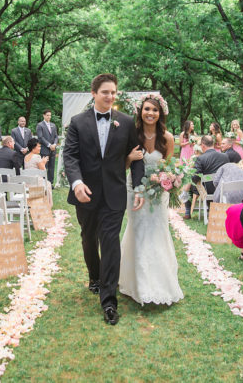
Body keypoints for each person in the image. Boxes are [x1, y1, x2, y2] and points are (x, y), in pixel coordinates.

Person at [63, 73, 144, 325]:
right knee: (89, 238)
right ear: (94, 94)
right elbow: (70, 156)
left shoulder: (127, 122)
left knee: (110, 242)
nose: (110, 96)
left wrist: (139, 186)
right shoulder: (77, 122)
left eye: (113, 92)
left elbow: (137, 155)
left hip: (114, 194)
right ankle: (95, 276)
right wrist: (76, 182)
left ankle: (109, 301)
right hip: (85, 193)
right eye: (105, 92)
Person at [119, 95, 184, 306]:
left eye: (155, 110)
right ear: (140, 111)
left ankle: (159, 283)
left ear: (160, 113)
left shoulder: (167, 138)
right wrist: (130, 158)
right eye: (147, 109)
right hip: (135, 191)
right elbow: (123, 166)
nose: (150, 113)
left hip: (158, 194)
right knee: (137, 232)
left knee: (157, 233)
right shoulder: (132, 135)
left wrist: (169, 180)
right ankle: (136, 284)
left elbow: (168, 166)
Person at [183, 135, 229, 219]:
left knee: (189, 182)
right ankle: (209, 210)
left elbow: (195, 178)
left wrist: (191, 173)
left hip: (207, 190)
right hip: (222, 188)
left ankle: (187, 212)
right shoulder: (225, 156)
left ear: (203, 145)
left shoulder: (200, 158)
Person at [24, 138, 52, 207]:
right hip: (35, 182)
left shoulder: (26, 156)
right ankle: (47, 205)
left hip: (27, 182)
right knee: (48, 184)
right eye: (39, 146)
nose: (40, 148)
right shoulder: (37, 156)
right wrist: (44, 162)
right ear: (33, 147)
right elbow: (43, 171)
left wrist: (41, 162)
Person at [36, 110, 58, 187]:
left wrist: (54, 144)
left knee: (52, 167)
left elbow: (56, 136)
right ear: (44, 115)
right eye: (47, 115)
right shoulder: (40, 125)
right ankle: (43, 184)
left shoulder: (53, 125)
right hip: (45, 149)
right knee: (44, 167)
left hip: (53, 149)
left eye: (50, 115)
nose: (49, 117)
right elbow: (40, 137)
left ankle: (50, 183)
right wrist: (49, 145)